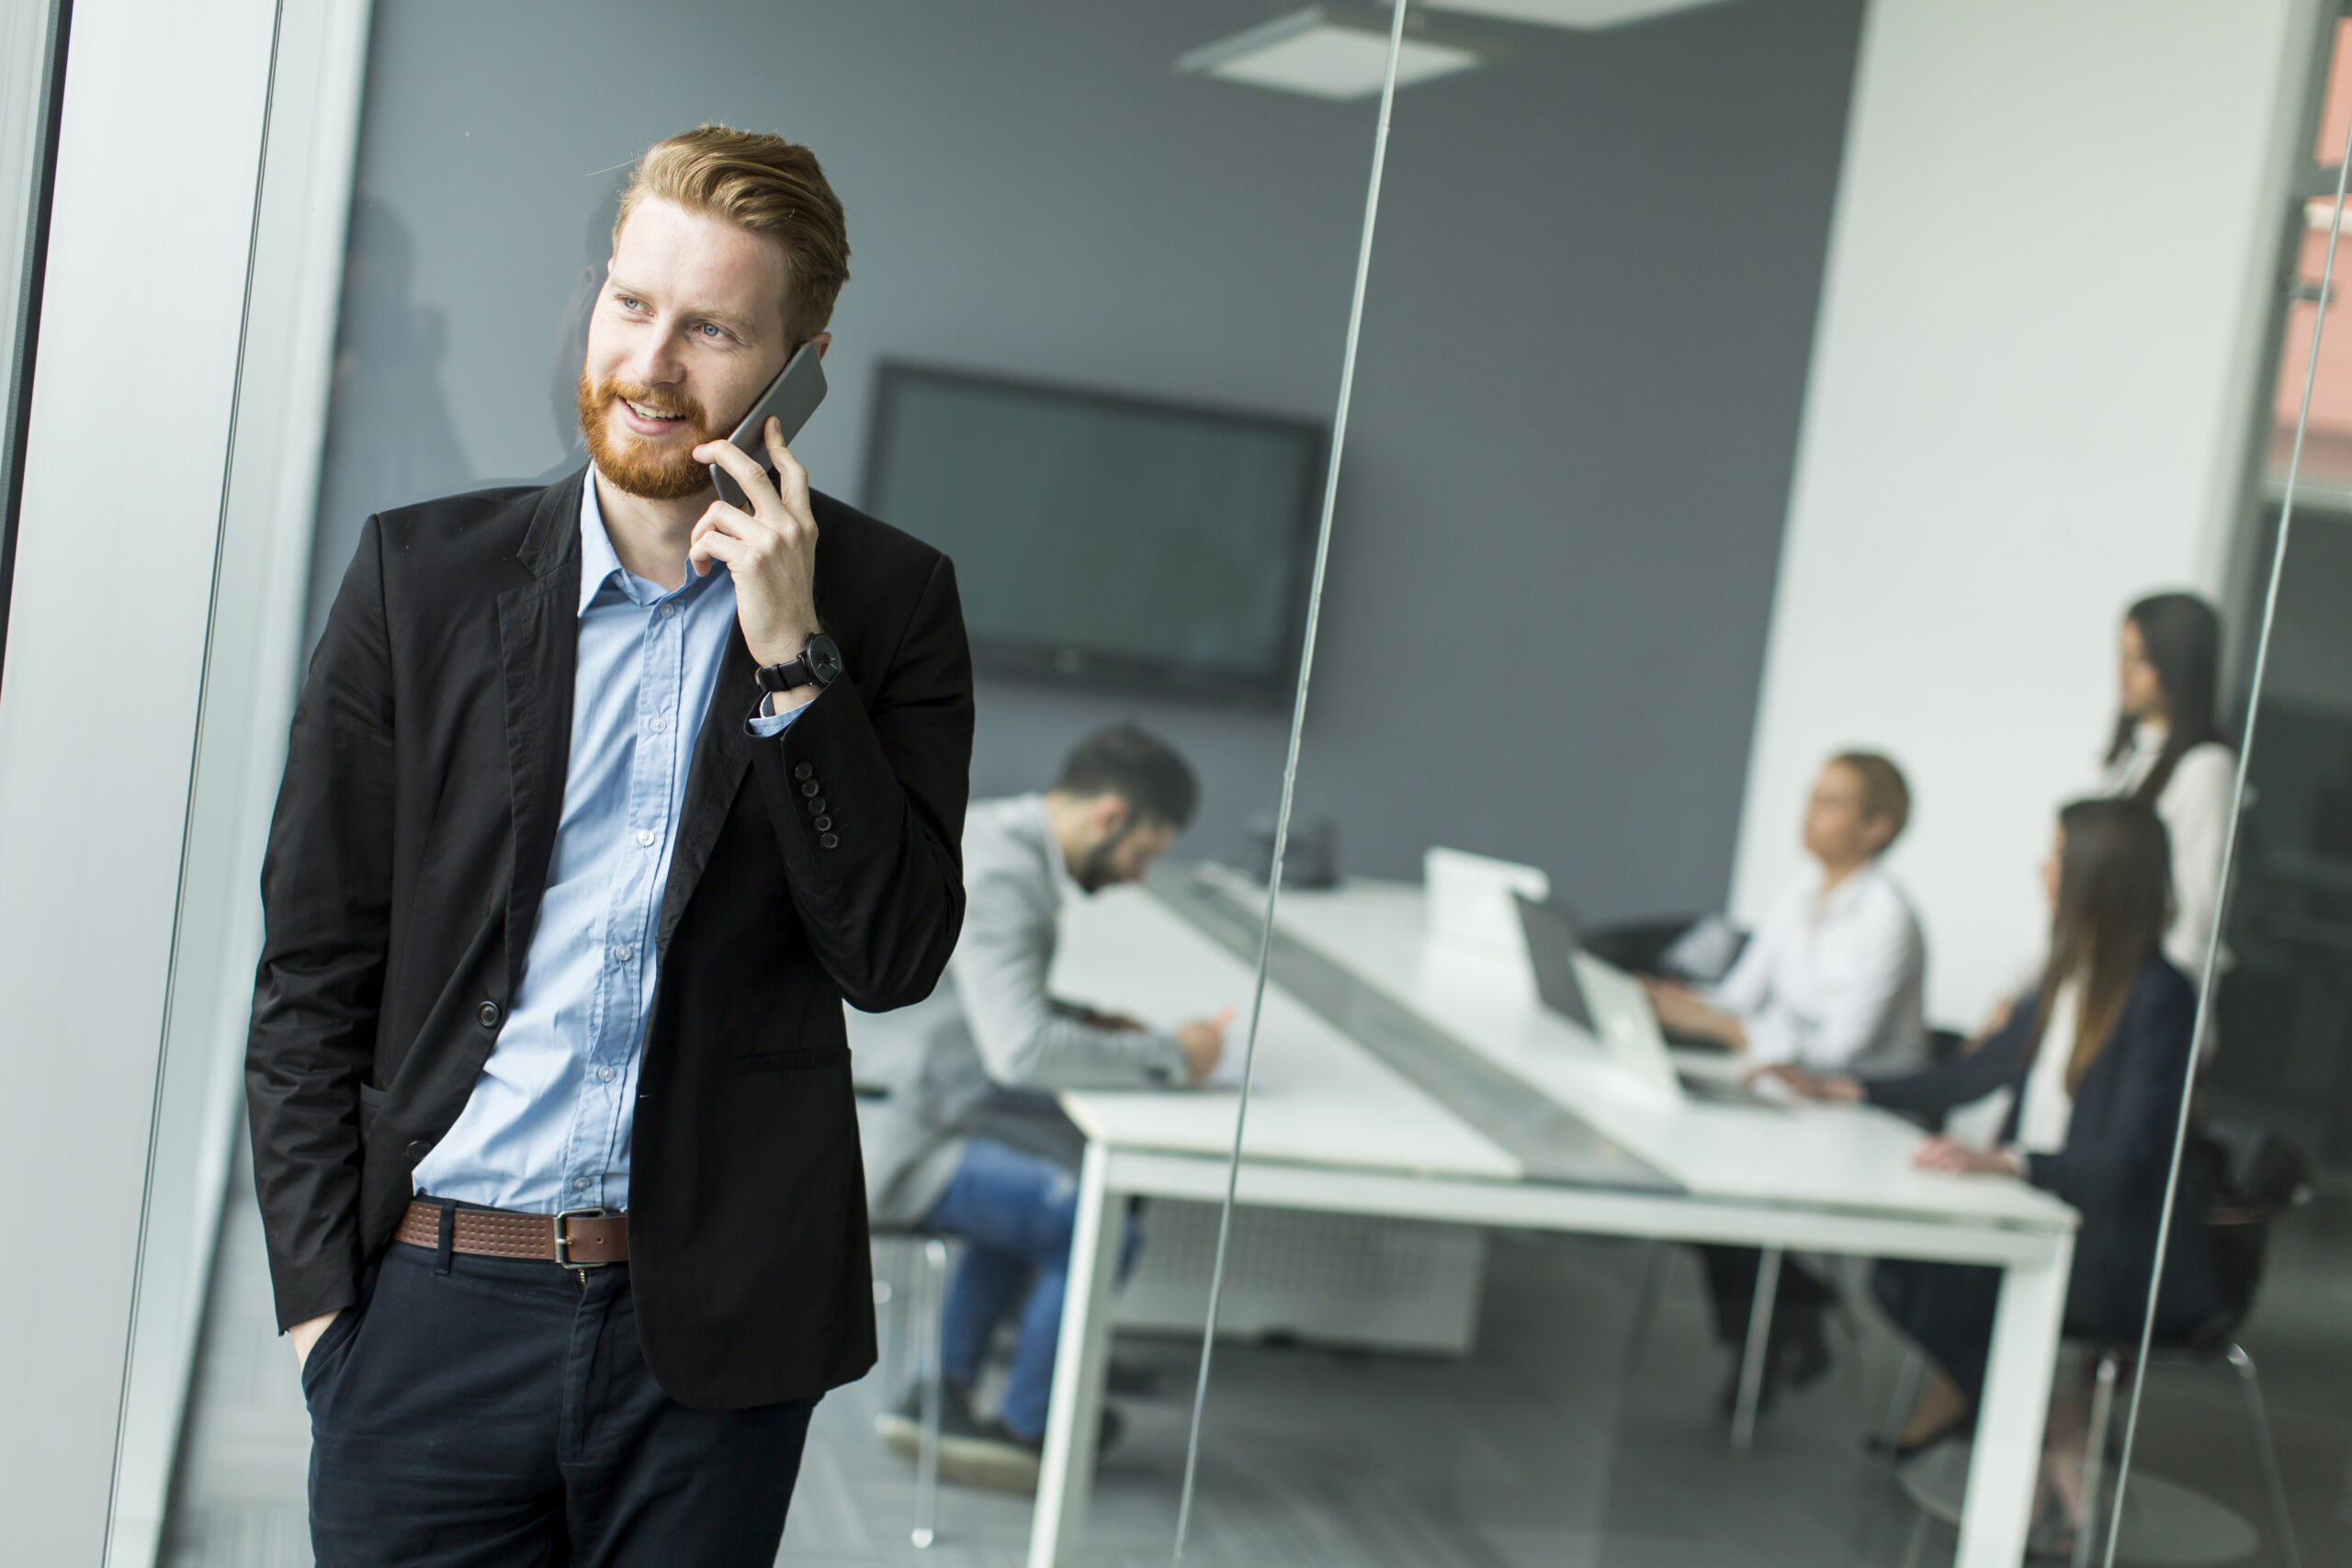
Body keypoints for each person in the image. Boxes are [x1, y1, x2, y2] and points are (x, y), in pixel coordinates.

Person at [244, 126, 974, 1567]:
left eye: (712, 327)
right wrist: (324, 1310)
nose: (653, 362)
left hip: (712, 1345)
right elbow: (314, 966)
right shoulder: (422, 580)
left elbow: (890, 959)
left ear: (800, 360)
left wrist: (792, 661)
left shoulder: (887, 607)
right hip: (431, 1311)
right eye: (633, 303)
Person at [1759, 798, 2220, 1551]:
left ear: (2095, 875)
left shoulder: (2160, 994)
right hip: (2037, 1205)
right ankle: (2049, 1422)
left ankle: (2034, 1437)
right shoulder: (2070, 971)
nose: (2043, 869)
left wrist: (2005, 1160)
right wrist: (1853, 1087)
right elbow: (1979, 1071)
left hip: (2106, 1238)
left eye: (2057, 855)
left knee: (1927, 1277)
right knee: (1901, 1273)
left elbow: (2132, 1154)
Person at [855, 726, 1231, 1490]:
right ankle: (1032, 1430)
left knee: (1061, 1174)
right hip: (896, 1139)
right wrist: (1170, 1056)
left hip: (919, 1103)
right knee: (1099, 1226)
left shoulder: (995, 837)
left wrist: (1088, 1020)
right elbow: (1020, 1052)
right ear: (1110, 815)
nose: (1137, 874)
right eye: (1145, 851)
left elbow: (980, 997)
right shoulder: (1003, 876)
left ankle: (944, 1392)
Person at [1642, 752, 1929, 1407]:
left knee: (1723, 1183)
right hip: (1787, 1095)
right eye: (1812, 796)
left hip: (1861, 1115)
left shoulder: (1888, 916)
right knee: (1691, 1167)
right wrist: (1685, 1002)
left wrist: (1735, 1031)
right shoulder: (1799, 893)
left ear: (1877, 825)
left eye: (1831, 802)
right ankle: (1791, 1319)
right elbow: (1742, 995)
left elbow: (1838, 1052)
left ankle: (1787, 1322)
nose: (1810, 814)